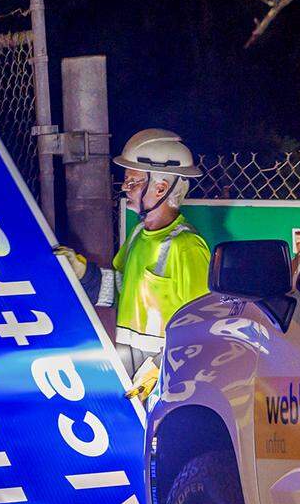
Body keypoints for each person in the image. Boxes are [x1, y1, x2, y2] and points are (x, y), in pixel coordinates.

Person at [55, 129, 210, 399]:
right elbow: (119, 290)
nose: (126, 189)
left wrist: (160, 369)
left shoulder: (188, 247)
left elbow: (201, 326)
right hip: (132, 371)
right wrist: (82, 271)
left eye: (133, 182)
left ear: (161, 188)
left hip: (169, 382)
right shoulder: (138, 235)